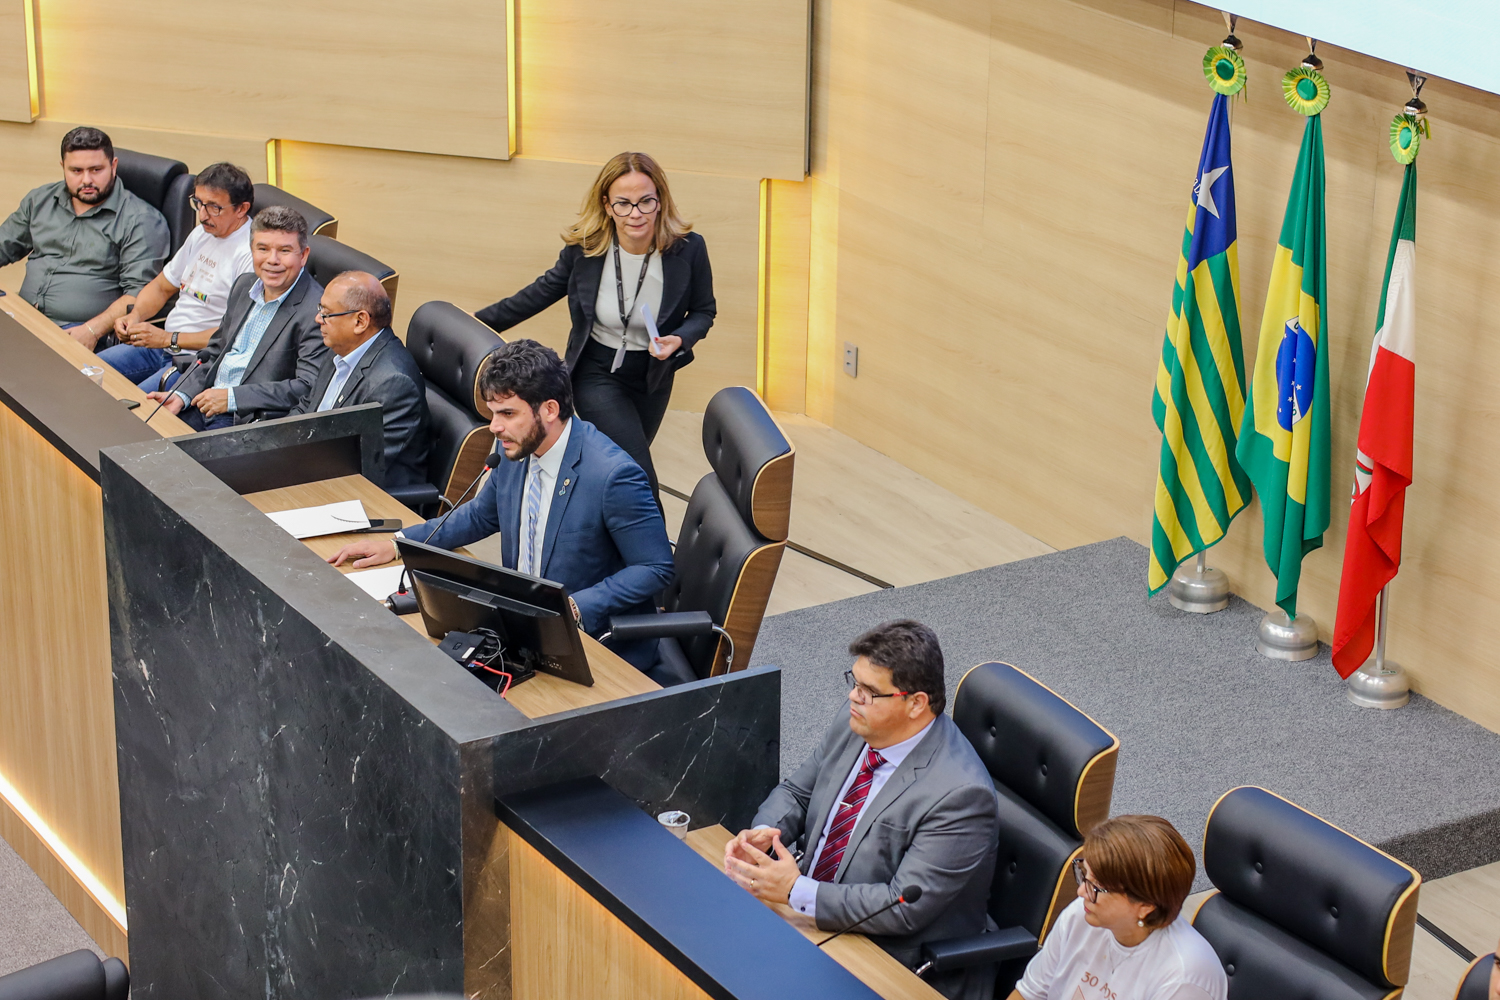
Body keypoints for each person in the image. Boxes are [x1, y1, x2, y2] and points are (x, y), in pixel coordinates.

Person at [325, 339, 678, 682]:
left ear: (550, 410)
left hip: (592, 644)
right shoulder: (515, 447)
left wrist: (576, 606)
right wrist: (400, 543)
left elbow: (655, 568)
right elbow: (481, 514)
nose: (495, 427)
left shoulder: (613, 475)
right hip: (523, 630)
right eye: (493, 414)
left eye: (508, 414)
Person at [724, 620, 1001, 1000]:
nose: (855, 697)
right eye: (855, 683)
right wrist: (765, 835)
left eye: (870, 691)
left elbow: (902, 906)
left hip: (889, 957)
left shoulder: (961, 796)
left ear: (916, 703)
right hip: (811, 911)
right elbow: (798, 792)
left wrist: (795, 890)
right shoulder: (858, 721)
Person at [474, 151, 715, 503]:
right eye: (624, 204)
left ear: (660, 201)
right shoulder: (585, 249)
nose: (636, 214)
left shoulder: (688, 250)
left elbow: (704, 311)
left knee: (617, 468)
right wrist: (470, 323)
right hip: (595, 372)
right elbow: (537, 294)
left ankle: (598, 538)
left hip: (652, 376)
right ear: (607, 205)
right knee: (638, 472)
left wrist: (680, 338)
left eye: (646, 202)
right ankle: (656, 555)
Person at [1010, 815, 1227, 1000]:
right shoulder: (1081, 914)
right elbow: (1028, 994)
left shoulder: (1184, 977)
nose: (1082, 892)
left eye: (1097, 887)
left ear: (1145, 906)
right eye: (1085, 876)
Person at [149, 206, 324, 431]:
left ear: (304, 255)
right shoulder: (244, 285)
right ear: (251, 250)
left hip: (244, 421)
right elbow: (213, 352)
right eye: (263, 248)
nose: (272, 260)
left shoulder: (316, 311)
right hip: (203, 400)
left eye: (284, 250)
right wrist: (183, 394)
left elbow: (307, 387)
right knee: (137, 436)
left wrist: (232, 398)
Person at [93, 161, 256, 388]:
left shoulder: (251, 254)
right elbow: (161, 287)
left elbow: (232, 335)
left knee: (137, 408)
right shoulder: (201, 233)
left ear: (241, 208)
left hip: (199, 361)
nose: (202, 215)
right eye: (198, 203)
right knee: (86, 372)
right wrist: (136, 316)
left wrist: (168, 339)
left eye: (214, 207)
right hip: (162, 346)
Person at [0, 126, 168, 333]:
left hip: (79, 332)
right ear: (63, 167)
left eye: (96, 170)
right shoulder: (40, 200)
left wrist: (91, 331)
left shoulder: (141, 220)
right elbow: (3, 245)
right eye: (76, 171)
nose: (86, 180)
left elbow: (139, 296)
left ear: (113, 166)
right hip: (23, 318)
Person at [289, 271, 430, 488]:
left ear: (360, 321)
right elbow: (308, 407)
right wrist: (270, 444)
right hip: (315, 469)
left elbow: (358, 465)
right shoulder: (340, 349)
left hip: (362, 496)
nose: (318, 319)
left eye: (326, 313)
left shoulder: (393, 384)